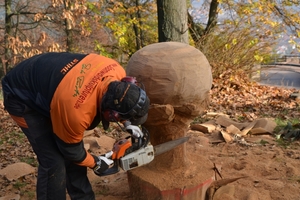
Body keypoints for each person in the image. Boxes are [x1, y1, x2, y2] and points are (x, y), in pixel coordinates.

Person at [1, 52, 150, 200]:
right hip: (21, 95)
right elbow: (71, 151)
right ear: (112, 114)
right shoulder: (76, 112)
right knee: (53, 161)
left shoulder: (117, 70)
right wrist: (96, 163)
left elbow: (119, 98)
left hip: (52, 86)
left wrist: (128, 123)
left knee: (74, 154)